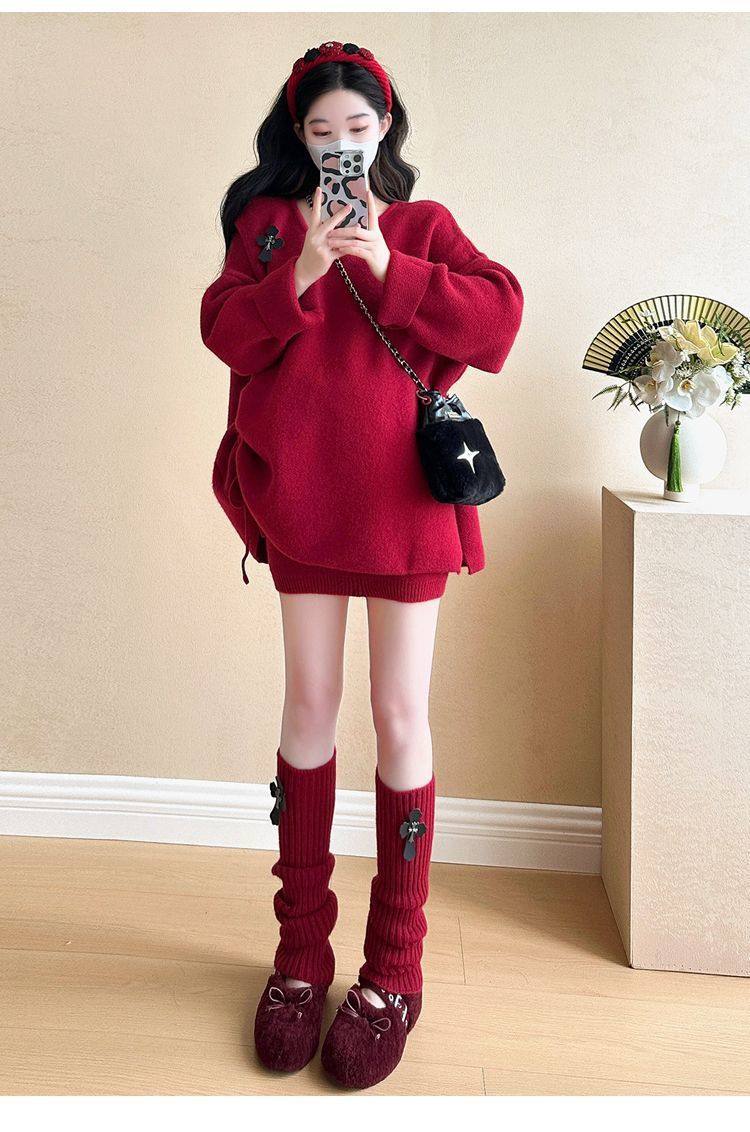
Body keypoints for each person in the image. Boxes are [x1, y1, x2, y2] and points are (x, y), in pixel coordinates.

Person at [200, 39, 524, 1090]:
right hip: (302, 502)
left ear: (384, 129)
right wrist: (298, 269)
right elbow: (225, 334)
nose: (340, 146)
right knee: (308, 708)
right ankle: (300, 957)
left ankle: (395, 970)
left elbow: (498, 318)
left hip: (403, 511)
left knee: (398, 715)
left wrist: (386, 262)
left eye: (357, 128)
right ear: (298, 137)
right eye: (321, 131)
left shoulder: (420, 227)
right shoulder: (266, 226)